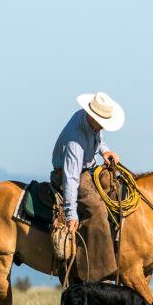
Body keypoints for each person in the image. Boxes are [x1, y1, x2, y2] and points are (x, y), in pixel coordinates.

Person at [50, 92, 124, 281]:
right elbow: (70, 178)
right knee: (96, 209)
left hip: (87, 170)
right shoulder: (75, 140)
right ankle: (97, 271)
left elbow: (99, 139)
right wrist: (71, 214)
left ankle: (117, 247)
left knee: (117, 189)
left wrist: (105, 151)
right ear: (92, 116)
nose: (103, 125)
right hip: (69, 174)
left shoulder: (92, 122)